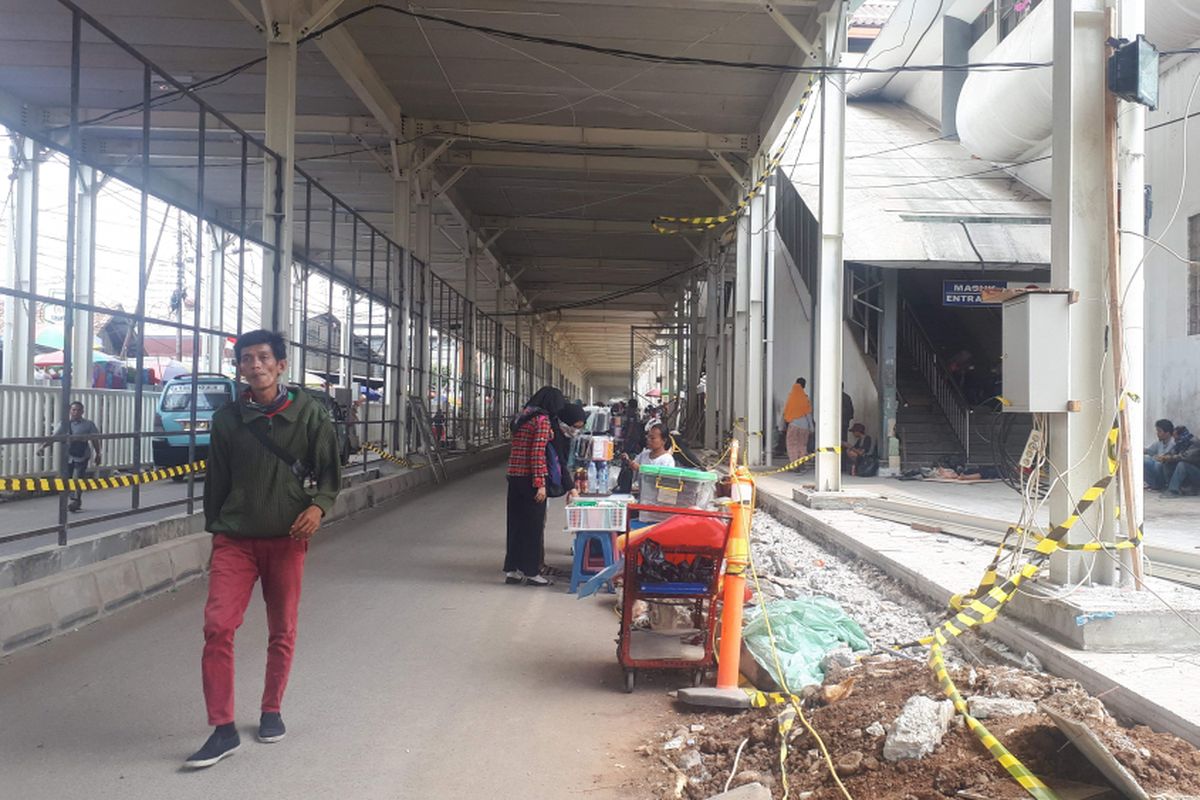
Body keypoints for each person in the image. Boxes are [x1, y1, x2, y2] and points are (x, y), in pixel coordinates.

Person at [185, 330, 342, 769]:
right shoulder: (226, 420)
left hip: (287, 538)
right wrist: (216, 530)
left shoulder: (309, 413)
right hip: (234, 540)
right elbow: (215, 481)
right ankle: (222, 729)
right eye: (246, 358)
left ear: (281, 366)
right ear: (239, 367)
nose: (254, 365)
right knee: (217, 626)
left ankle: (271, 709)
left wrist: (319, 507)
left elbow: (330, 473)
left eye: (263, 357)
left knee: (282, 628)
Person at [505, 386, 585, 586]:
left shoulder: (521, 418)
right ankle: (532, 572)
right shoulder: (542, 421)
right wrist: (540, 484)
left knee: (515, 525)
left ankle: (512, 571)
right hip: (531, 480)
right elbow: (537, 454)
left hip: (514, 478)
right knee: (533, 527)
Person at [37, 401, 101, 513]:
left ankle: (75, 501)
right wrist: (42, 447)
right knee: (66, 479)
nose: (76, 412)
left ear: (82, 411)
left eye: (78, 410)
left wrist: (98, 453)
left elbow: (95, 439)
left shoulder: (88, 424)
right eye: (73, 410)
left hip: (82, 455)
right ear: (70, 411)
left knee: (77, 478)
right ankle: (73, 499)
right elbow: (54, 437)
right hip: (68, 456)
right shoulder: (64, 424)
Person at [1158, 425, 1200, 498]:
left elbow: (1186, 457)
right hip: (1191, 475)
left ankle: (1173, 491)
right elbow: (1172, 452)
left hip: (1196, 474)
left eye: (1175, 436)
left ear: (1180, 435)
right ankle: (1172, 487)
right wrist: (1165, 457)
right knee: (1167, 463)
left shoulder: (1195, 443)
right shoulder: (1180, 443)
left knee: (1183, 465)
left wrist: (1171, 458)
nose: (1174, 439)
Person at [782, 377, 813, 467]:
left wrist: (782, 426)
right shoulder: (805, 398)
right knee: (802, 445)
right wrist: (811, 427)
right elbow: (808, 414)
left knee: (792, 444)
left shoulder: (790, 398)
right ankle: (801, 462)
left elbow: (784, 412)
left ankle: (794, 464)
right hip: (805, 427)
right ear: (804, 386)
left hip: (794, 425)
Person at [1144, 418, 1175, 491]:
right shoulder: (1159, 442)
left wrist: (1159, 458)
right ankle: (1154, 485)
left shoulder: (1173, 443)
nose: (1157, 433)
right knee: (1143, 461)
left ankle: (1163, 485)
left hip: (1167, 469)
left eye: (1159, 431)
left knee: (1158, 464)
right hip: (1157, 464)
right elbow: (1149, 451)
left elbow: (1164, 458)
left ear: (1167, 433)